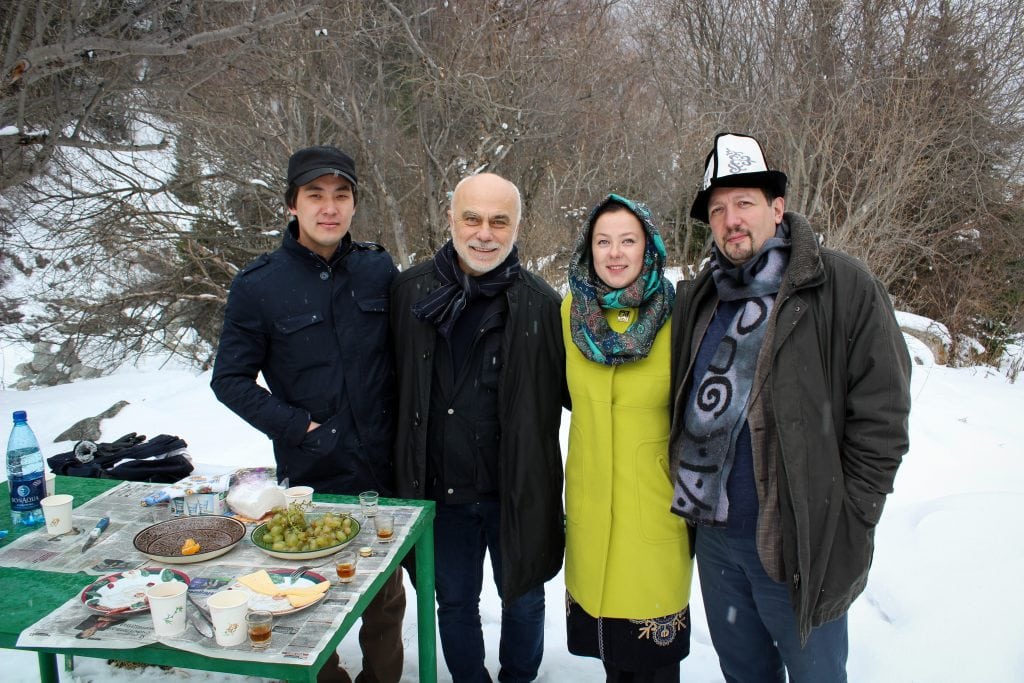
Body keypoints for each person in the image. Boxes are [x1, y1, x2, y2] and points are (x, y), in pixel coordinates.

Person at [668, 132, 912, 682]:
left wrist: (852, 516)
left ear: (778, 209)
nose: (732, 219)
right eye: (718, 208)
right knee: (744, 675)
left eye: (745, 203)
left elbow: (884, 414)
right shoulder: (702, 298)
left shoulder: (840, 286)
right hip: (717, 545)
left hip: (801, 547)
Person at [210, 145, 405, 683]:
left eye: (341, 196)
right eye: (315, 195)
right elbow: (228, 380)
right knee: (312, 593)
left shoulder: (376, 268)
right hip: (314, 471)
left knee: (384, 596)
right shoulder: (258, 285)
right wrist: (301, 427)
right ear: (292, 204)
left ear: (353, 205)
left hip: (384, 465)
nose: (329, 208)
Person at [390, 172, 565, 683]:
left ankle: (518, 677)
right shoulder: (410, 293)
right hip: (438, 493)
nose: (483, 233)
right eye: (472, 218)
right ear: (450, 220)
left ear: (516, 228)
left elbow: (587, 396)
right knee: (454, 602)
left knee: (525, 597)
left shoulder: (542, 305)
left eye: (498, 221)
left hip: (515, 491)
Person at [562, 194, 693, 682]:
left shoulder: (679, 317)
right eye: (603, 241)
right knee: (613, 661)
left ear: (649, 247)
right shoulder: (570, 313)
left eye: (627, 241)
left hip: (655, 513)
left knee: (655, 666)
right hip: (593, 513)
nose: (615, 253)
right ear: (588, 249)